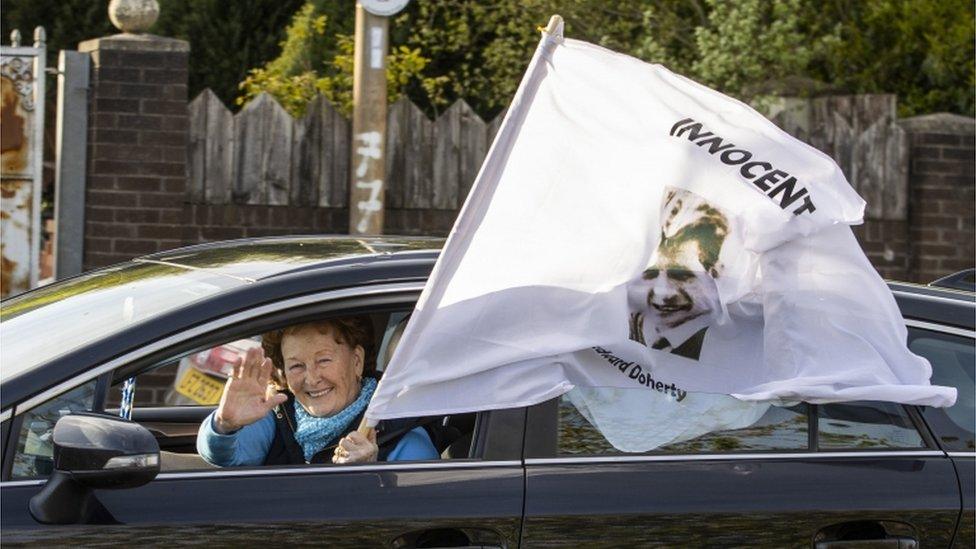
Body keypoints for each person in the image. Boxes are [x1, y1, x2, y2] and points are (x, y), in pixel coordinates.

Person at [196, 317, 439, 466]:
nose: (311, 379)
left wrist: (373, 475)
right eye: (297, 366)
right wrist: (224, 425)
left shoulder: (402, 435)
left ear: (356, 361)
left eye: (323, 361)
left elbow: (424, 521)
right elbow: (225, 457)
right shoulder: (278, 413)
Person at [628, 187, 730, 360]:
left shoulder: (726, 351)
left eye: (681, 276)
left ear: (716, 272)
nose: (661, 291)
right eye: (651, 274)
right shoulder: (629, 324)